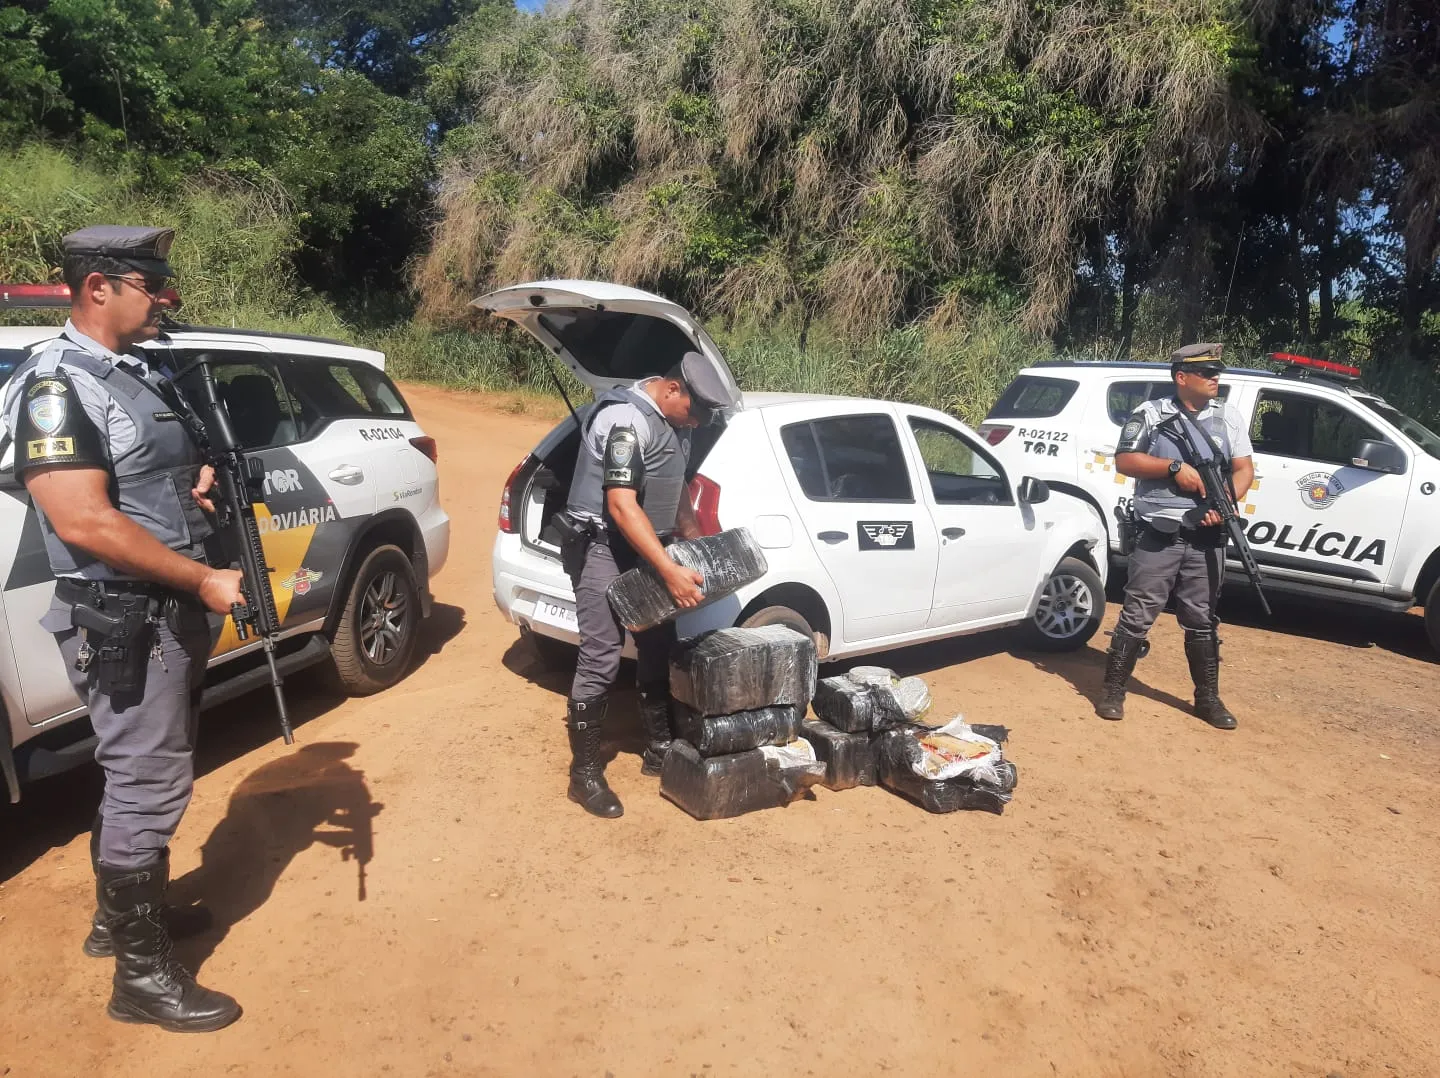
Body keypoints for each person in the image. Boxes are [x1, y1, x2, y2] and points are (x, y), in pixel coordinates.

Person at [2, 226, 246, 1031]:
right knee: (149, 781)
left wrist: (194, 490)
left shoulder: (132, 373)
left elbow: (140, 485)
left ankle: (120, 923)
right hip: (126, 617)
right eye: (153, 286)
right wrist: (205, 576)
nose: (165, 300)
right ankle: (141, 981)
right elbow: (85, 520)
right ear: (100, 285)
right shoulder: (54, 387)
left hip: (161, 610)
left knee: (136, 769)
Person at [558, 352, 733, 818]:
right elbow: (620, 505)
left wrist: (698, 544)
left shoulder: (675, 426)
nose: (696, 424)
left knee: (658, 643)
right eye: (694, 413)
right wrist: (670, 572)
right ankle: (585, 775)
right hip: (602, 547)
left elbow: (673, 492)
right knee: (600, 656)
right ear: (672, 389)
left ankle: (659, 748)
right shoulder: (624, 421)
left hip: (645, 546)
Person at [1096, 343, 1255, 729]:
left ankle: (1207, 698)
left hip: (1207, 534)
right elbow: (1125, 460)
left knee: (1202, 619)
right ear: (1182, 378)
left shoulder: (1228, 417)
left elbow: (1244, 469)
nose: (1215, 378)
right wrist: (1172, 468)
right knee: (1137, 615)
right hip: (1159, 533)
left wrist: (1225, 501)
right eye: (1207, 373)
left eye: (1217, 372)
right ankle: (1112, 691)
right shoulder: (1150, 414)